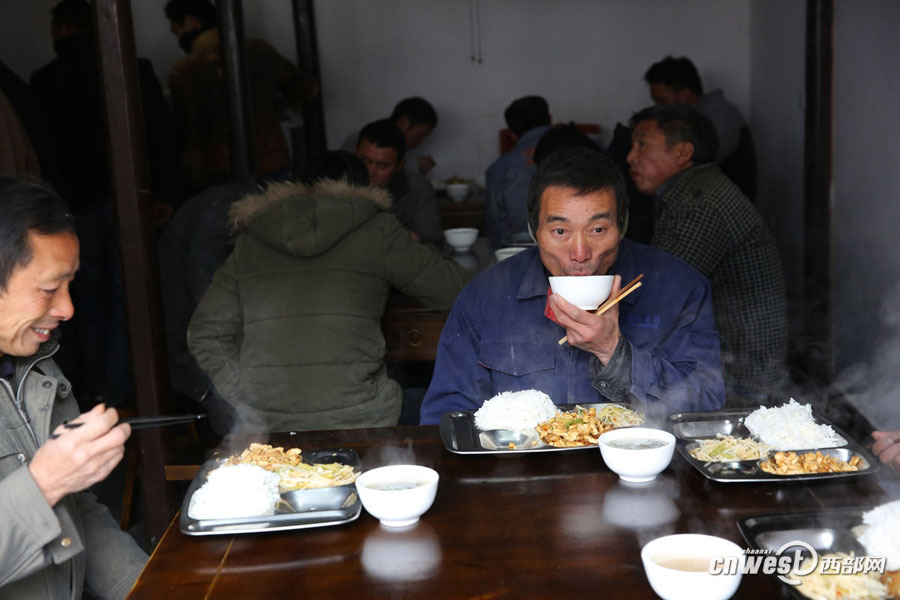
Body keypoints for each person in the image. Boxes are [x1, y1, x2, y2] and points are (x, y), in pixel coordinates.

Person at [419, 147, 725, 424]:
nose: (580, 254)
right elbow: (448, 417)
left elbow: (706, 409)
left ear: (623, 225)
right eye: (560, 231)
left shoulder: (679, 288)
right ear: (534, 230)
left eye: (598, 229)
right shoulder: (486, 296)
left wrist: (613, 351)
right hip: (521, 468)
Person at [188, 152, 470, 433]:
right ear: (363, 189)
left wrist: (248, 400)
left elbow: (204, 333)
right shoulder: (377, 229)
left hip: (270, 422)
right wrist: (415, 247)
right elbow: (457, 290)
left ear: (294, 186)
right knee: (453, 402)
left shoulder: (251, 241)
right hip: (365, 417)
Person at [0, 177, 146, 598]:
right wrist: (44, 483)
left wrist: (151, 588)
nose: (66, 308)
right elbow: (53, 488)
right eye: (49, 289)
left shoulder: (38, 370)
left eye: (69, 285)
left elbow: (79, 513)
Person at [31, 0, 179, 407]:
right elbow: (161, 136)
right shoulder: (134, 67)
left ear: (63, 29)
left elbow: (45, 152)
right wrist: (164, 192)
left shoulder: (45, 80)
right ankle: (125, 389)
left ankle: (95, 387)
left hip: (71, 205)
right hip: (128, 197)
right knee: (132, 296)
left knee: (83, 298)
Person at [627, 104, 787, 407]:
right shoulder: (695, 190)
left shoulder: (700, 204)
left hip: (739, 374)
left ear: (682, 152)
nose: (630, 156)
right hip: (733, 363)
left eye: (642, 144)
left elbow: (661, 294)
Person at [164, 0, 319, 191]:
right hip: (273, 162)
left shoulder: (185, 71)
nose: (178, 39)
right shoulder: (260, 50)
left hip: (221, 175)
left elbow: (190, 141)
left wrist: (191, 185)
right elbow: (309, 88)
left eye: (176, 31)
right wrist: (277, 106)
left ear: (190, 22)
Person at [643, 55, 756, 199]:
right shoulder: (697, 118)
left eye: (662, 101)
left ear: (686, 95)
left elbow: (692, 165)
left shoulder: (720, 118)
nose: (659, 109)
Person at [355, 119, 443, 245]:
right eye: (365, 161)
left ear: (399, 166)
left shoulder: (417, 189)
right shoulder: (337, 182)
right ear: (355, 153)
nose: (370, 172)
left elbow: (431, 244)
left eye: (382, 166)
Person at [484, 95, 552, 248]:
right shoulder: (586, 151)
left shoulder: (499, 168)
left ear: (511, 135)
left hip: (520, 250)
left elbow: (494, 224)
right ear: (551, 119)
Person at [340, 96, 439, 175]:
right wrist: (415, 166)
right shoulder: (365, 138)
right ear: (404, 123)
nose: (421, 141)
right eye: (420, 135)